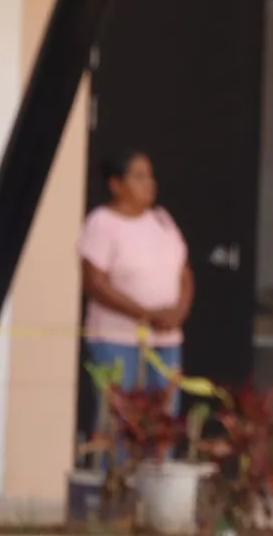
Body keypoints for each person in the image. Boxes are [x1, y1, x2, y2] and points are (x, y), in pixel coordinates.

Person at [78, 150, 193, 412]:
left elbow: (184, 274)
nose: (149, 183)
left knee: (164, 418)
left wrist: (178, 312)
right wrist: (145, 314)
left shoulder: (162, 220)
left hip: (166, 339)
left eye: (150, 176)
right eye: (139, 177)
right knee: (120, 417)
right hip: (117, 339)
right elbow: (95, 283)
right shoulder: (102, 222)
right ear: (116, 184)